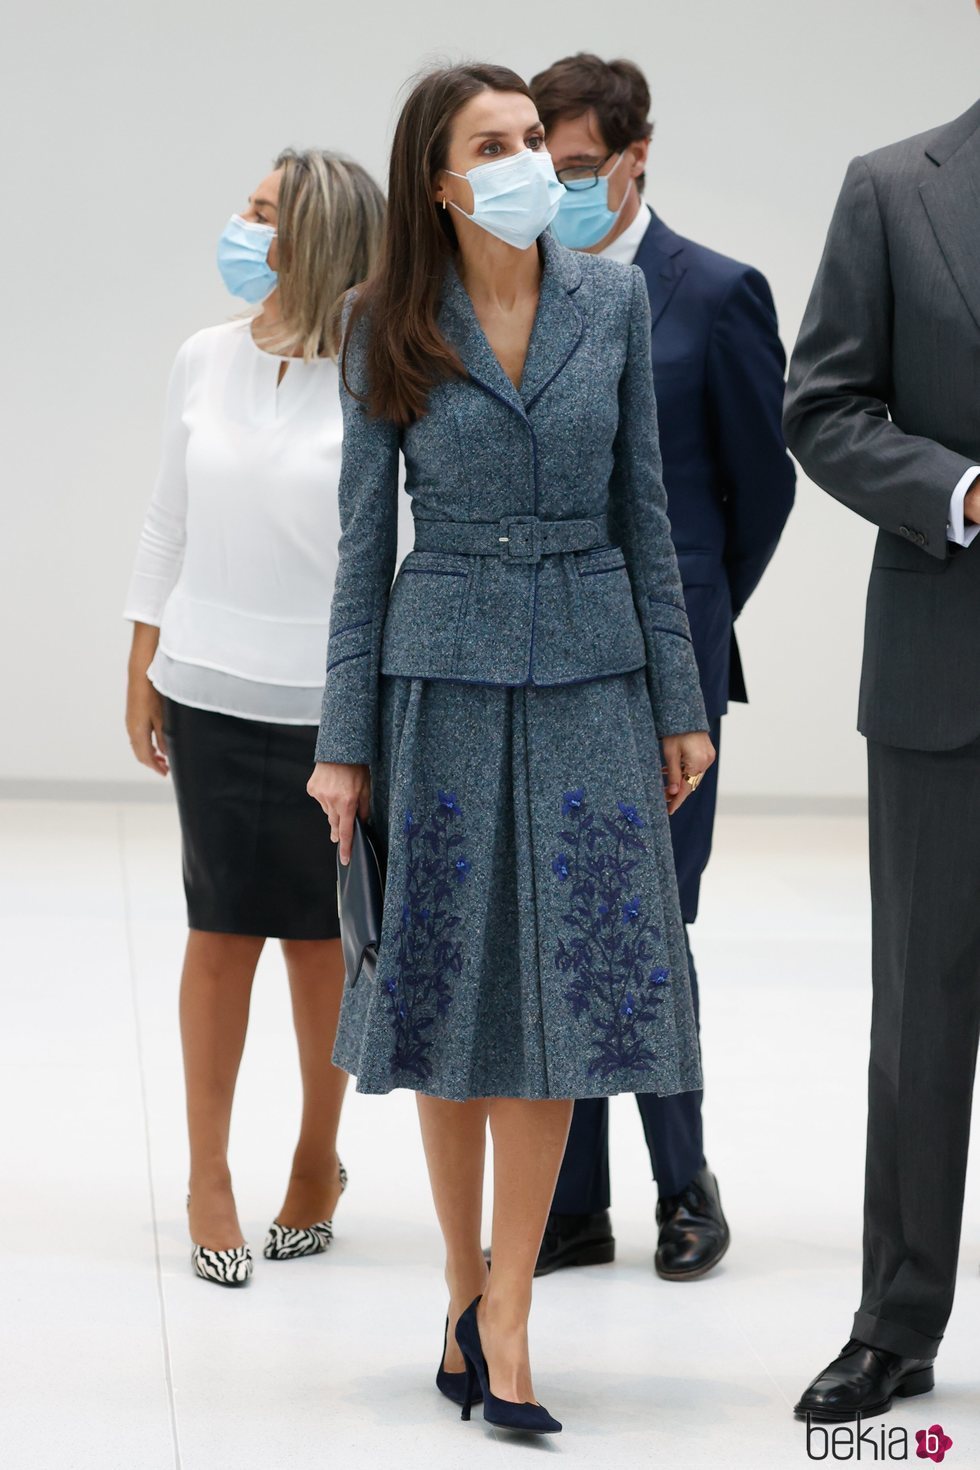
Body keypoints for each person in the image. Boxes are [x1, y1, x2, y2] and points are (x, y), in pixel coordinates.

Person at [307, 61, 713, 1435]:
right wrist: (341, 743)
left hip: (596, 680)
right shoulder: (384, 321)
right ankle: (461, 1282)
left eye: (535, 137)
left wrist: (680, 699)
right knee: (454, 997)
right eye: (496, 142)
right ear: (437, 175)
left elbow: (645, 510)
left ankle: (514, 1308)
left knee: (568, 1001)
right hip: (443, 683)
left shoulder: (613, 297)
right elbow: (366, 549)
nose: (532, 157)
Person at [530, 53, 795, 1281]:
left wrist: (690, 622)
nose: (559, 187)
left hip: (664, 676)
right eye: (544, 167)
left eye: (578, 167)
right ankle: (571, 1203)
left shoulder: (715, 293)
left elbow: (761, 486)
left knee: (643, 924)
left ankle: (683, 1185)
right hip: (539, 666)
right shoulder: (521, 285)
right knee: (552, 917)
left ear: (638, 155)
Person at [123, 150, 385, 1286]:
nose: (241, 224)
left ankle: (316, 1161)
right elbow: (165, 524)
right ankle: (206, 1175)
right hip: (209, 687)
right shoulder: (201, 357)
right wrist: (141, 663)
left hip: (328, 706)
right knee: (218, 932)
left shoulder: (382, 378)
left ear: (316, 238)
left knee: (323, 945)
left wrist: (367, 722)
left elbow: (388, 558)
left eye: (263, 210)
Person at [784, 37, 980, 1419]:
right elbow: (823, 402)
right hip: (943, 672)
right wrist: (963, 491)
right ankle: (897, 1319)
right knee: (921, 1015)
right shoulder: (893, 190)